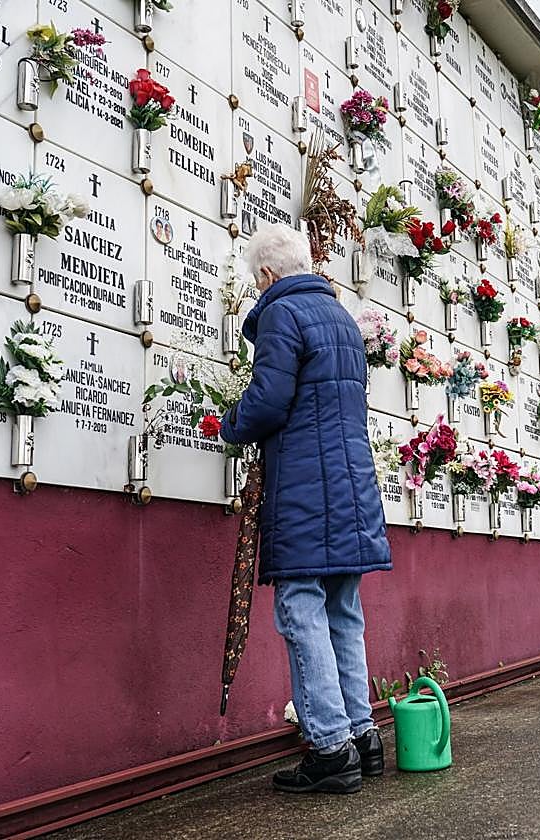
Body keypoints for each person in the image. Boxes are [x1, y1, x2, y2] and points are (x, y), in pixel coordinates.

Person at [220, 224, 391, 794]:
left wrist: (230, 425)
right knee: (343, 607)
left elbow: (269, 400)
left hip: (303, 486)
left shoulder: (281, 313)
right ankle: (363, 737)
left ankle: (329, 748)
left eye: (256, 280)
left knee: (300, 608)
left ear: (267, 275)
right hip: (350, 483)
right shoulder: (339, 316)